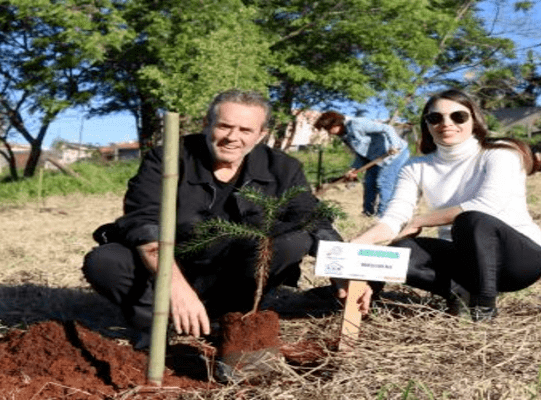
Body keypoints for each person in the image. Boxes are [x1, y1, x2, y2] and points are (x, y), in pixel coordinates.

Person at [82, 90, 367, 347]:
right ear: (207, 124)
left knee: (292, 241)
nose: (233, 137)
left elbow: (312, 219)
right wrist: (176, 288)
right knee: (105, 261)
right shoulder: (168, 158)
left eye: (245, 129)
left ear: (261, 134)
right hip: (170, 266)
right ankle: (155, 326)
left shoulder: (283, 168)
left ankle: (229, 319)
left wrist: (343, 270)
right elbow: (142, 220)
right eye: (224, 126)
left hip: (233, 274)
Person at [350, 89, 541, 322]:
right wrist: (358, 248)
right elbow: (395, 218)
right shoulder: (415, 167)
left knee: (471, 219)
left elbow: (487, 205)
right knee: (400, 249)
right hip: (465, 261)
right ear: (427, 125)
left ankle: (483, 308)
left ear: (474, 120)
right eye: (435, 118)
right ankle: (459, 293)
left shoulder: (500, 154)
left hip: (517, 261)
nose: (446, 123)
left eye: (458, 116)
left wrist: (420, 220)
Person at [314, 111, 410, 217]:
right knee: (369, 183)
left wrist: (394, 146)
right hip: (376, 158)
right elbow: (360, 154)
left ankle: (383, 217)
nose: (329, 132)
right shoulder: (345, 136)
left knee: (383, 183)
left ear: (336, 123)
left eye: (329, 128)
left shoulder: (357, 124)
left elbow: (388, 128)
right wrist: (354, 169)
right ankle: (367, 213)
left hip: (395, 154)